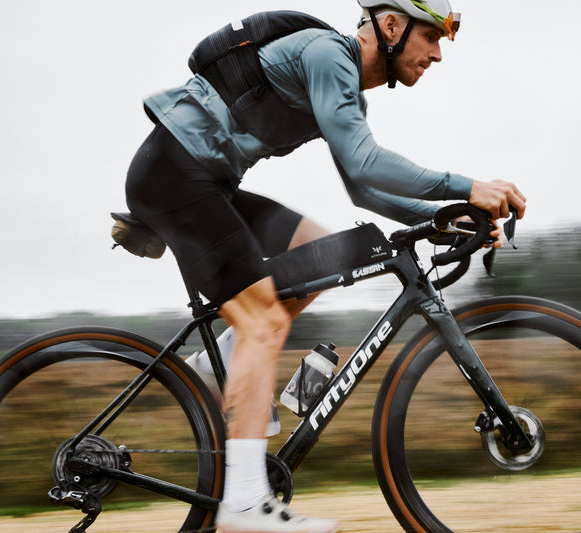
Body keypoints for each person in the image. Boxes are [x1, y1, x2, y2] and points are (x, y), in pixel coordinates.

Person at [125, 0, 526, 531]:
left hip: (203, 180)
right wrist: (468, 186)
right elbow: (365, 161)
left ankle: (216, 365)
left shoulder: (345, 87)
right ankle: (244, 502)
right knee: (264, 320)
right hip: (176, 175)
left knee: (325, 250)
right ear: (390, 26)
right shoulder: (329, 55)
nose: (437, 53)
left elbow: (362, 188)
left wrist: (441, 218)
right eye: (431, 37)